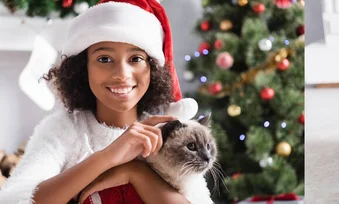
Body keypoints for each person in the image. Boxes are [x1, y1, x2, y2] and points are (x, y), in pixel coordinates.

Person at [0, 0, 199, 203]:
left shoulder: (167, 132)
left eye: (136, 59)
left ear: (152, 68)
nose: (122, 74)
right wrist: (107, 157)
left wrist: (135, 171)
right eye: (104, 59)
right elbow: (15, 199)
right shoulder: (62, 130)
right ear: (83, 69)